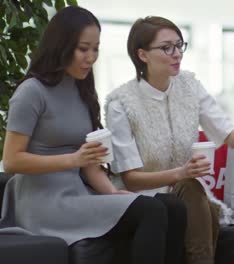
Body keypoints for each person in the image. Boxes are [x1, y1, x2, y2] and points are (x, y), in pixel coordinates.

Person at [0, 6, 186, 264]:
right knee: (150, 210)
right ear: (61, 46)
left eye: (95, 49)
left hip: (79, 195)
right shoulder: (31, 92)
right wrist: (72, 160)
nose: (91, 57)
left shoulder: (81, 89)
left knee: (173, 206)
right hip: (42, 203)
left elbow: (89, 160)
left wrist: (111, 192)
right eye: (83, 49)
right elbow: (11, 161)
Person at [105, 16, 234, 264]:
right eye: (167, 48)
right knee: (192, 191)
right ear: (142, 55)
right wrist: (181, 172)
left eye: (180, 45)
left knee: (192, 192)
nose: (177, 54)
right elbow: (130, 179)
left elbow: (232, 139)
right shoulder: (122, 103)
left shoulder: (190, 86)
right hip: (142, 197)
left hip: (185, 191)